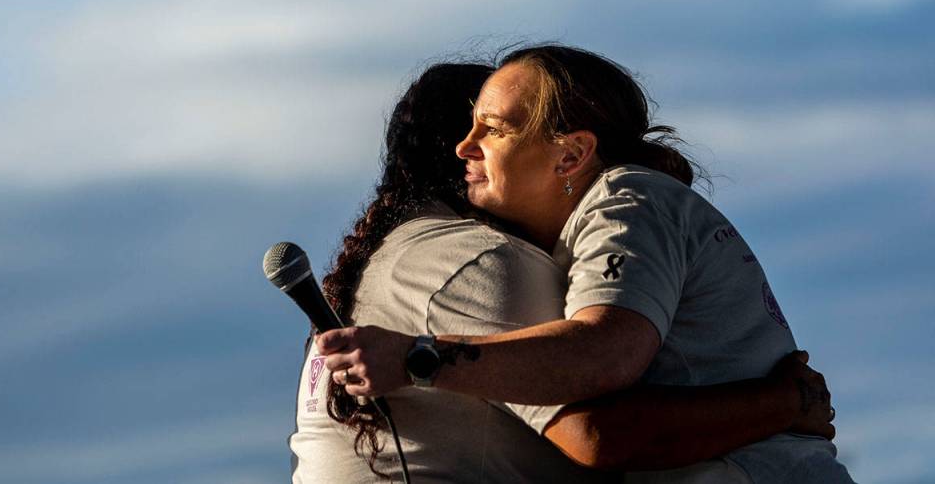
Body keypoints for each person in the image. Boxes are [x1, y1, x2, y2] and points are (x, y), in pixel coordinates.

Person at [318, 45, 853, 483]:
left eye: (493, 129)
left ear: (570, 155)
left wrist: (417, 359)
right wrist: (785, 402)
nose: (464, 146)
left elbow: (605, 355)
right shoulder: (612, 216)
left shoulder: (627, 204)